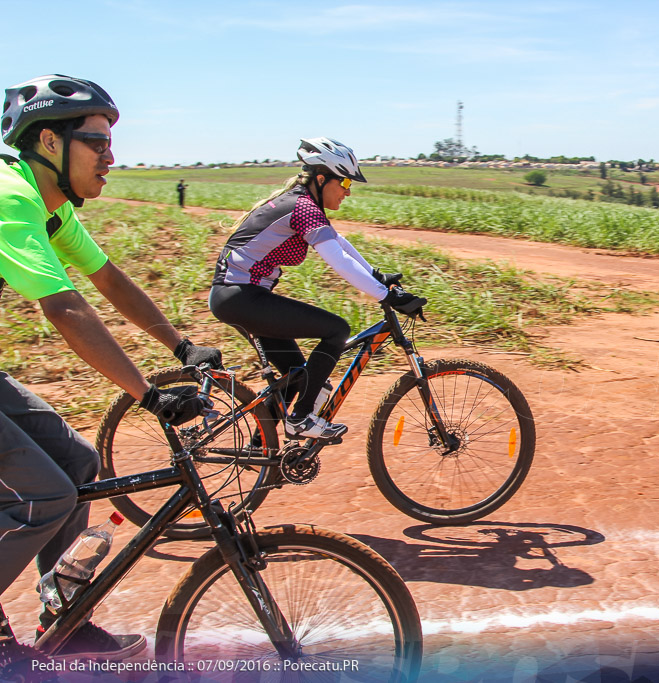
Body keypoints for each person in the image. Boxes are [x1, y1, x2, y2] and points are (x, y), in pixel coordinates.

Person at [0, 74, 222, 669]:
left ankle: (65, 620)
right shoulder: (10, 195)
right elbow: (65, 308)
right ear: (50, 142)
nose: (111, 157)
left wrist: (181, 347)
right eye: (96, 142)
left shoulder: (49, 208)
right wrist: (148, 396)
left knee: (77, 465)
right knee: (43, 495)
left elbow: (107, 281)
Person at [209, 137, 426, 439]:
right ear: (322, 178)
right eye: (346, 182)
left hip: (239, 296)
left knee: (298, 376)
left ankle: (263, 448)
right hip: (240, 296)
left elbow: (339, 243)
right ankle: (300, 420)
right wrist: (387, 295)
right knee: (336, 330)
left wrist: (377, 274)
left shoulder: (304, 204)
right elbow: (338, 261)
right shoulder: (302, 207)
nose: (348, 191)